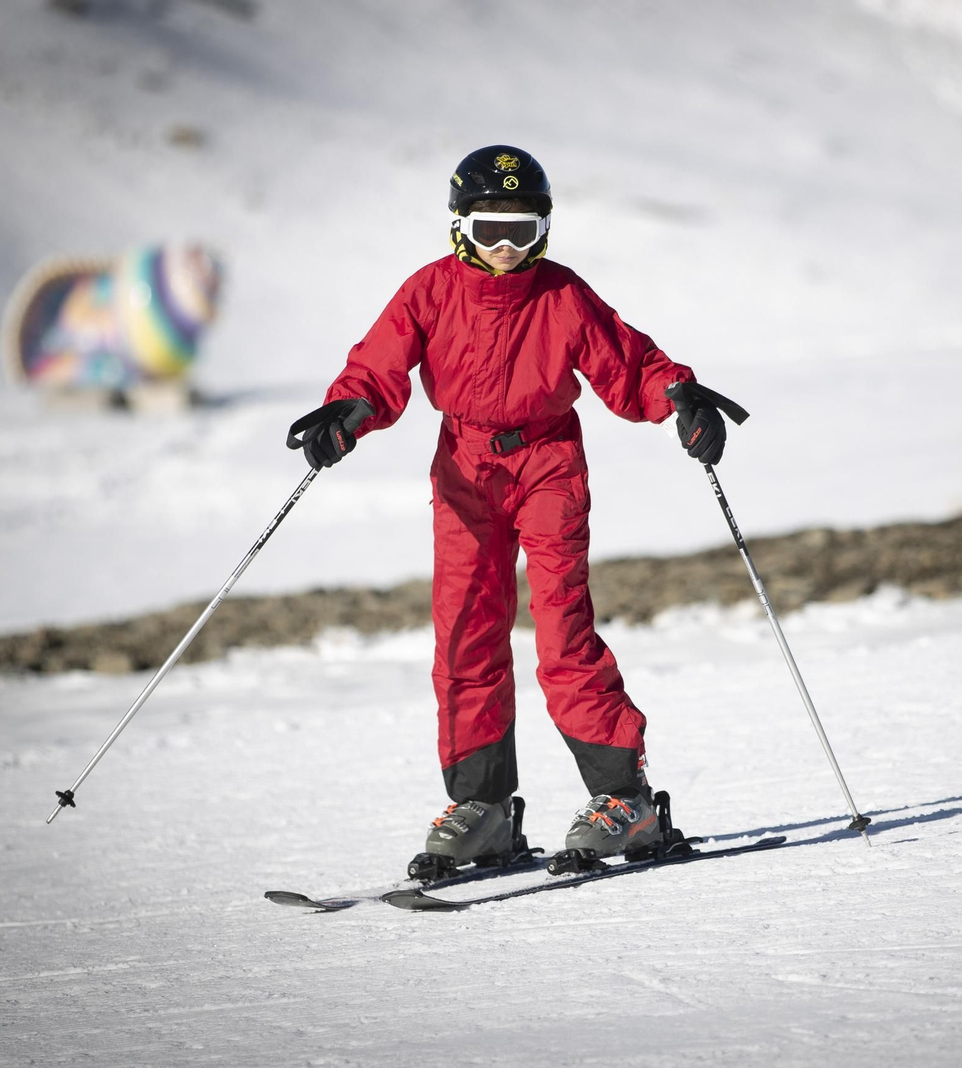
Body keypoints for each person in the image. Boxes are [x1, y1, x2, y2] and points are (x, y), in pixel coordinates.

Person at [289, 145, 731, 872]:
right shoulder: (428, 291)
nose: (503, 248)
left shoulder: (561, 296)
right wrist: (350, 410)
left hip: (548, 459)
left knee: (561, 625)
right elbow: (379, 364)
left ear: (545, 231)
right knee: (465, 627)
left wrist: (677, 395)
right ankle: (484, 808)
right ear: (459, 227)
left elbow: (630, 365)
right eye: (490, 229)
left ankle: (625, 800)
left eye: (520, 232)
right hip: (465, 466)